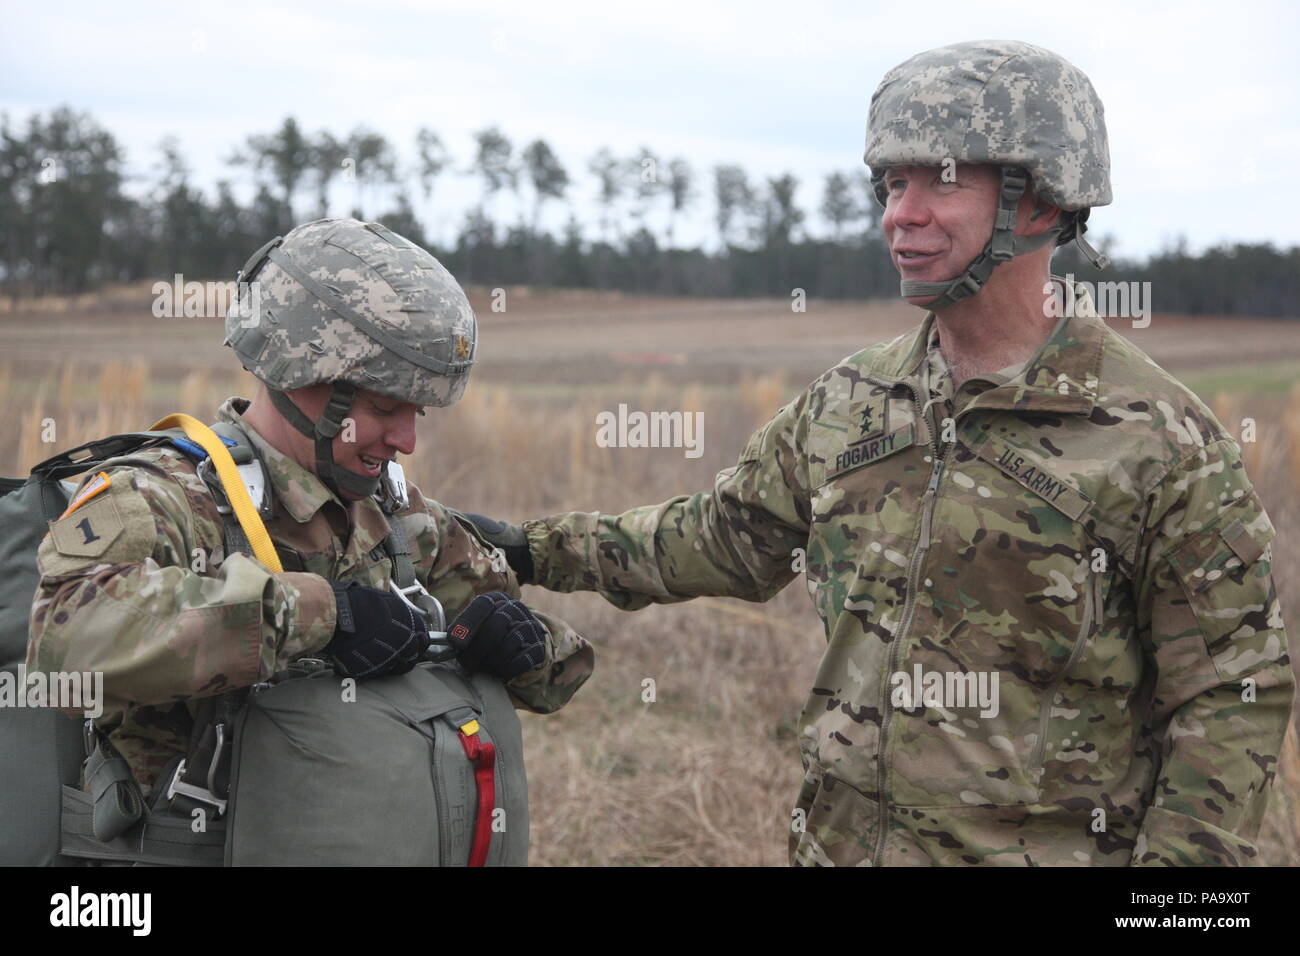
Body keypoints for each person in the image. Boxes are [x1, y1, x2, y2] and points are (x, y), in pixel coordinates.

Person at [470, 40, 1293, 866]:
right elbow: (722, 538)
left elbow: (1231, 696)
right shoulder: (849, 403)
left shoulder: (1158, 440)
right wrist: (524, 549)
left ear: (1042, 202)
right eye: (892, 184)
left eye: (940, 179)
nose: (901, 213)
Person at [27, 217, 594, 809]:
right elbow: (64, 643)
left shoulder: (389, 515)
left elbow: (562, 670)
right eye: (384, 407)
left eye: (417, 414)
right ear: (302, 376)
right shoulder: (160, 496)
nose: (406, 440)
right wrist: (319, 617)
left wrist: (527, 647)